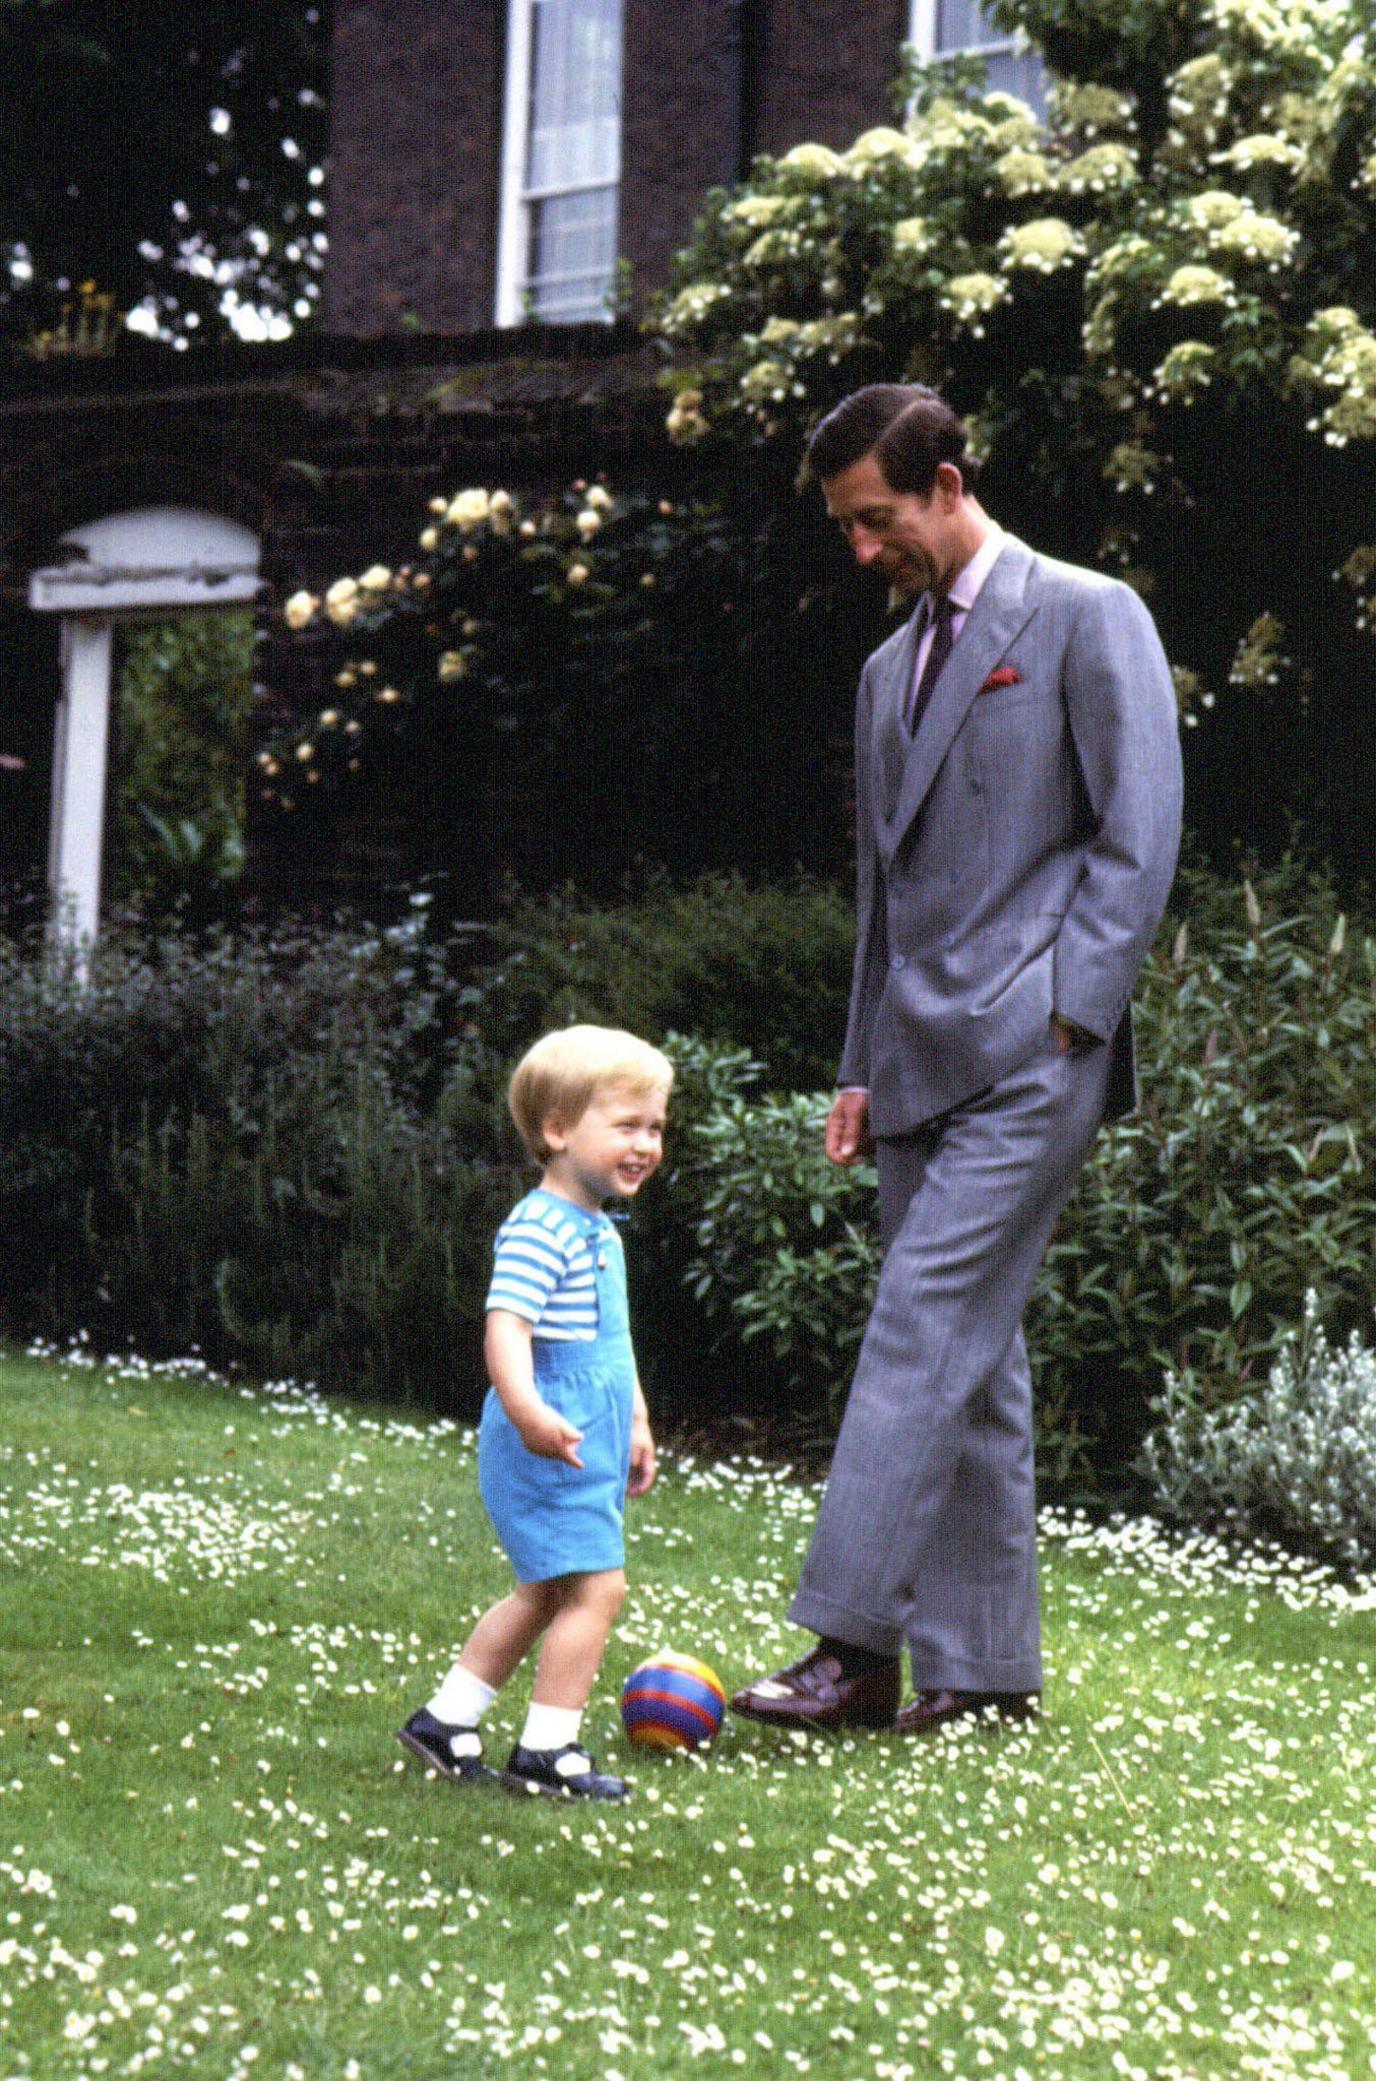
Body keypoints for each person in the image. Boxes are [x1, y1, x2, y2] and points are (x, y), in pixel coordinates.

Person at [730, 384, 1182, 1737]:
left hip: (1036, 1054)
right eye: (847, 530)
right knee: (973, 1361)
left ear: (947, 483)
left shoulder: (1090, 615)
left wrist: (1073, 1014)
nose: (865, 550)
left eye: (879, 521)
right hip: (914, 1064)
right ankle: (981, 1675)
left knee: (921, 1323)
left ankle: (853, 1647)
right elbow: (884, 893)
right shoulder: (885, 672)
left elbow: (1138, 833)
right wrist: (861, 1065)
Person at [398, 1024, 671, 1800]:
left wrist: (639, 1424)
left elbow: (612, 1346)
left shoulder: (598, 1231)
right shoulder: (540, 1229)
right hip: (547, 1436)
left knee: (546, 1589)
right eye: (626, 1124)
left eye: (654, 1126)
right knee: (597, 1589)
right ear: (557, 1130)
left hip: (588, 1432)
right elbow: (506, 1329)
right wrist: (528, 1414)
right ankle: (548, 1746)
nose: (646, 1143)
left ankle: (446, 1720)